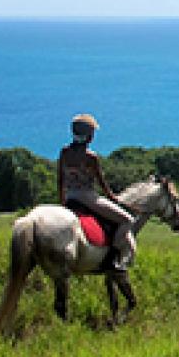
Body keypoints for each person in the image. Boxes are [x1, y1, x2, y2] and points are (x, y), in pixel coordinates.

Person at [57, 113, 137, 268]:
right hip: (87, 196)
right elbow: (101, 182)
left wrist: (62, 201)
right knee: (127, 220)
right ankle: (114, 257)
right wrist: (112, 196)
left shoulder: (64, 152)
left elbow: (60, 179)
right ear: (89, 136)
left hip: (70, 196)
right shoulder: (91, 156)